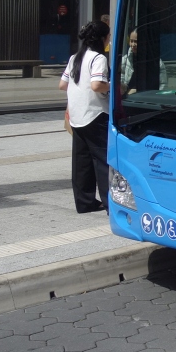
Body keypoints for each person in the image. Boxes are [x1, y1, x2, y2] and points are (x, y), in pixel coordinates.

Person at [60, 20, 111, 213]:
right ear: (102, 39)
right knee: (102, 159)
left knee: (81, 161)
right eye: (108, 37)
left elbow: (62, 85)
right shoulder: (98, 58)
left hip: (77, 115)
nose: (109, 40)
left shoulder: (75, 57)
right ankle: (109, 203)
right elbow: (97, 85)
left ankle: (84, 202)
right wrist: (114, 86)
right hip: (95, 114)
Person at [121, 29, 167, 93]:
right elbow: (121, 81)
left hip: (146, 99)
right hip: (128, 99)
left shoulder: (156, 62)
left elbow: (162, 84)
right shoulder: (125, 60)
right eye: (131, 41)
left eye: (136, 41)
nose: (133, 44)